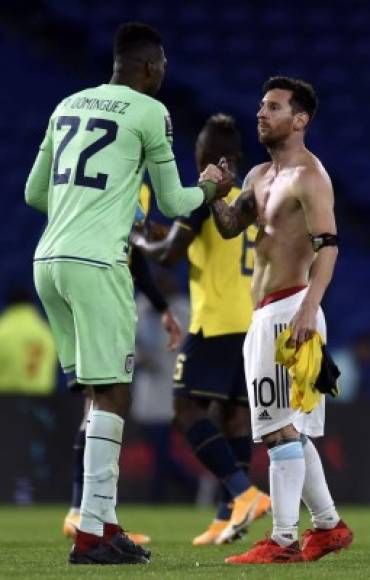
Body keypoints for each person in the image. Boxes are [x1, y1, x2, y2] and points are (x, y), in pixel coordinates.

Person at [25, 22, 232, 566]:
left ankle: (103, 521)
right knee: (114, 392)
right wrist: (212, 184)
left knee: (97, 392)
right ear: (146, 66)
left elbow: (33, 192)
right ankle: (91, 537)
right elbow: (173, 199)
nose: (164, 73)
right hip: (97, 263)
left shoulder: (67, 104)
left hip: (49, 261)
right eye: (161, 64)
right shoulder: (148, 113)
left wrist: (94, 213)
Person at [207, 77, 353, 564]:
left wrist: (310, 307)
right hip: (266, 313)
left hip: (291, 309)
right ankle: (329, 526)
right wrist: (216, 194)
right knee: (292, 428)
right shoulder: (258, 176)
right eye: (261, 106)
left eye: (273, 107)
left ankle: (285, 539)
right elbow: (231, 228)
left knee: (276, 431)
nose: (261, 114)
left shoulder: (310, 176)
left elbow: (328, 246)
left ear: (300, 119)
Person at [132, 114, 270, 546]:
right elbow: (197, 243)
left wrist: (138, 240)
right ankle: (227, 514)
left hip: (214, 323)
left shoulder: (203, 194)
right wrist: (162, 235)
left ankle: (243, 493)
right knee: (232, 415)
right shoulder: (254, 196)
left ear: (206, 158)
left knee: (184, 409)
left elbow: (170, 255)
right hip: (251, 320)